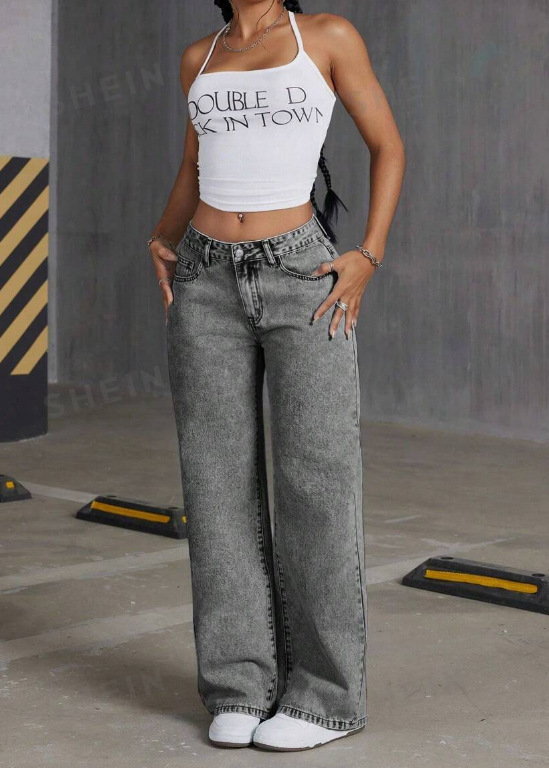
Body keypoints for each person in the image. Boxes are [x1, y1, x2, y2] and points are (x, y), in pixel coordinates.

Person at [148, 0, 405, 752]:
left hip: (302, 275)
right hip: (205, 277)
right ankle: (239, 684)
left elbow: (388, 145)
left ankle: (325, 697)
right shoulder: (199, 56)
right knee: (215, 483)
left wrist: (368, 254)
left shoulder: (325, 36)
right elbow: (195, 165)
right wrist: (163, 237)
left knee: (315, 482)